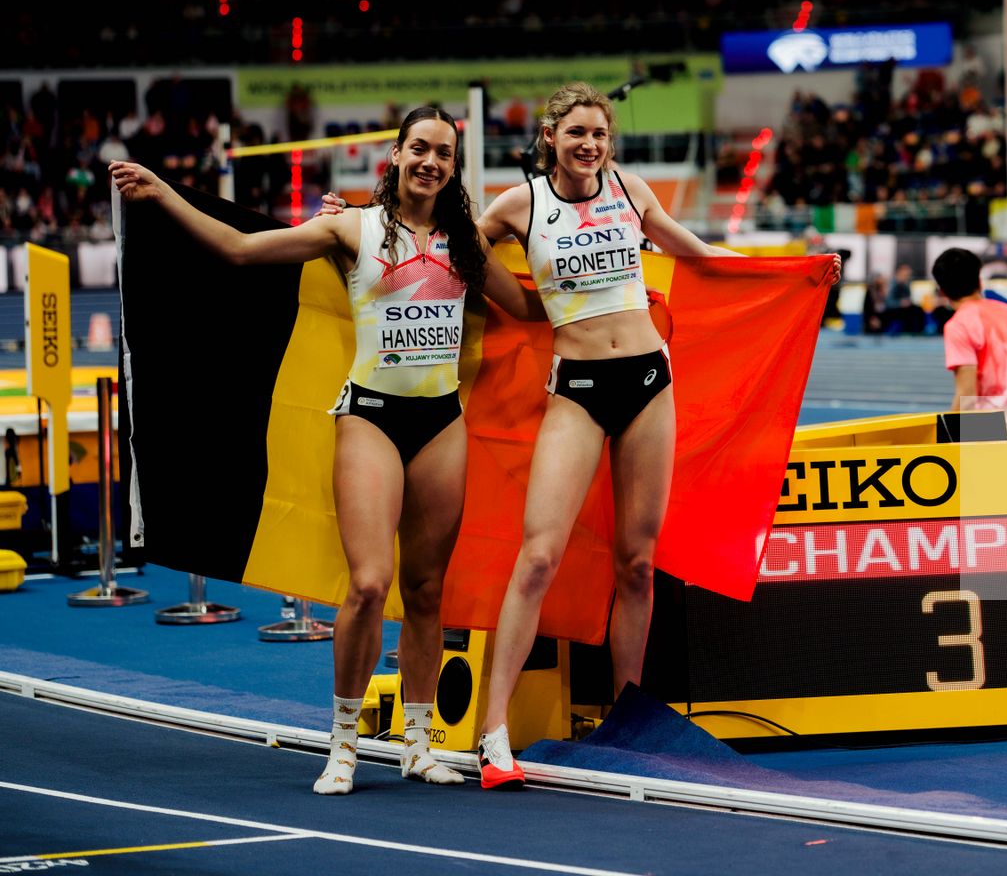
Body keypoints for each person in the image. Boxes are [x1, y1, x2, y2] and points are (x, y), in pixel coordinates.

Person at [111, 108, 540, 794]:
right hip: (370, 416)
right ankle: (341, 743)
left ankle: (418, 745)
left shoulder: (466, 242)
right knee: (369, 585)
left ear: (453, 168)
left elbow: (527, 306)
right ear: (397, 154)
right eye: (420, 149)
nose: (431, 161)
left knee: (428, 592)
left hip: (440, 425)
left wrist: (621, 299)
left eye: (444, 154)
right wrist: (163, 193)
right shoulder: (352, 227)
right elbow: (239, 251)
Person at [465, 82, 836, 789]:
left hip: (647, 385)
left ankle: (623, 722)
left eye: (599, 134)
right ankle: (493, 732)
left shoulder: (631, 191)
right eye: (576, 133)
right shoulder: (520, 206)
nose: (589, 145)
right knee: (538, 556)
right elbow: (457, 247)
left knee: (638, 564)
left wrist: (790, 278)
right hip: (575, 391)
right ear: (551, 137)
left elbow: (697, 255)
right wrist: (515, 301)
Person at [933, 248, 1007, 441]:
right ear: (979, 281)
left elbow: (966, 397)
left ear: (942, 291)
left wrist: (943, 442)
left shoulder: (959, 325)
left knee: (934, 443)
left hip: (997, 432)